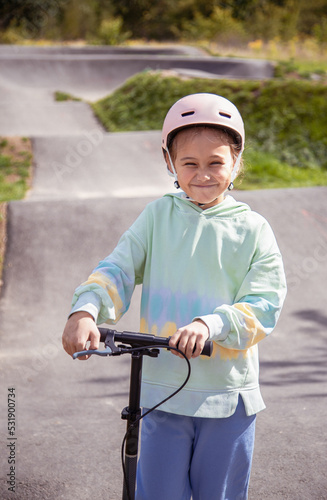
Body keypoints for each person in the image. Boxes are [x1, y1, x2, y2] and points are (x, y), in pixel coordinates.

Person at [62, 93, 287, 500]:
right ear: (170, 163)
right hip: (163, 392)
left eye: (216, 162)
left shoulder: (254, 230)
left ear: (236, 161)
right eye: (190, 163)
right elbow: (119, 268)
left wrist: (209, 324)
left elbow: (263, 306)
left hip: (227, 396)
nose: (203, 174)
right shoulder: (156, 217)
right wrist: (86, 308)